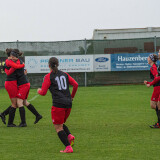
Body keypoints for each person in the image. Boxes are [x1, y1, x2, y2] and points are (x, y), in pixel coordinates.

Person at [37, 57, 78, 153]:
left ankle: (68, 148)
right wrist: (72, 96)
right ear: (58, 64)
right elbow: (75, 84)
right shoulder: (65, 74)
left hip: (58, 104)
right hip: (68, 103)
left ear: (48, 65)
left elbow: (43, 92)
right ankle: (69, 136)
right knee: (61, 124)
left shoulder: (48, 76)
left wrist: (39, 91)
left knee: (58, 127)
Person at [2, 49, 42, 127]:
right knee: (24, 102)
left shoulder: (17, 62)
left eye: (13, 56)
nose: (12, 58)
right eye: (11, 56)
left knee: (18, 103)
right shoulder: (17, 61)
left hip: (23, 85)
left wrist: (6, 67)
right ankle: (37, 115)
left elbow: (10, 70)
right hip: (24, 84)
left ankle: (23, 123)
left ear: (16, 56)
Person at [0, 48, 25, 127]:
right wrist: (23, 65)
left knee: (16, 104)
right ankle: (9, 123)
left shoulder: (10, 61)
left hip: (11, 83)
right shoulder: (10, 62)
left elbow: (7, 70)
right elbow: (12, 70)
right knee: (15, 104)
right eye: (12, 55)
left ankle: (3, 115)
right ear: (11, 56)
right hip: (11, 83)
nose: (13, 57)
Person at [144, 54, 160, 128]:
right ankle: (158, 123)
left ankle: (159, 123)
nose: (147, 58)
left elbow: (157, 78)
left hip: (157, 87)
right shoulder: (154, 66)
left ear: (151, 59)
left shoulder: (153, 67)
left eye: (148, 57)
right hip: (157, 87)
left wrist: (150, 84)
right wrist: (149, 83)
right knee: (156, 105)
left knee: (153, 105)